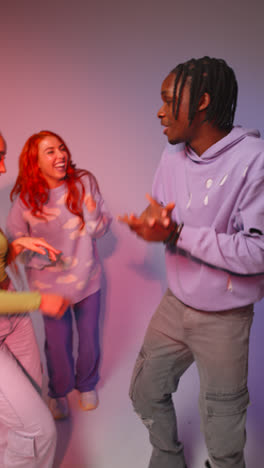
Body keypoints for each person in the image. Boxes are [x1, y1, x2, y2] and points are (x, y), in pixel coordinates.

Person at [118, 56, 264, 468]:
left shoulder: (255, 160)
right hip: (176, 304)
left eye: (168, 100)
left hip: (225, 317)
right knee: (144, 392)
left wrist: (178, 235)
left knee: (222, 424)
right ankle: (167, 455)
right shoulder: (173, 156)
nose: (160, 112)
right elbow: (163, 215)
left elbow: (258, 251)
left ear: (201, 101)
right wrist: (152, 224)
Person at [7, 130, 112, 420]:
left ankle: (87, 384)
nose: (60, 155)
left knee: (90, 339)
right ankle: (58, 391)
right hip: (50, 289)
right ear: (35, 162)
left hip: (87, 279)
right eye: (50, 151)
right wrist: (38, 254)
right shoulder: (26, 200)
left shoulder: (84, 182)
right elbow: (14, 248)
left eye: (61, 148)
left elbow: (100, 231)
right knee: (57, 346)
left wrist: (91, 214)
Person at [0, 132, 69, 467]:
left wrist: (15, 247)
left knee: (27, 400)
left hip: (11, 314)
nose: (2, 168)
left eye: (4, 156)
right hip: (13, 306)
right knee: (39, 432)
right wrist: (38, 301)